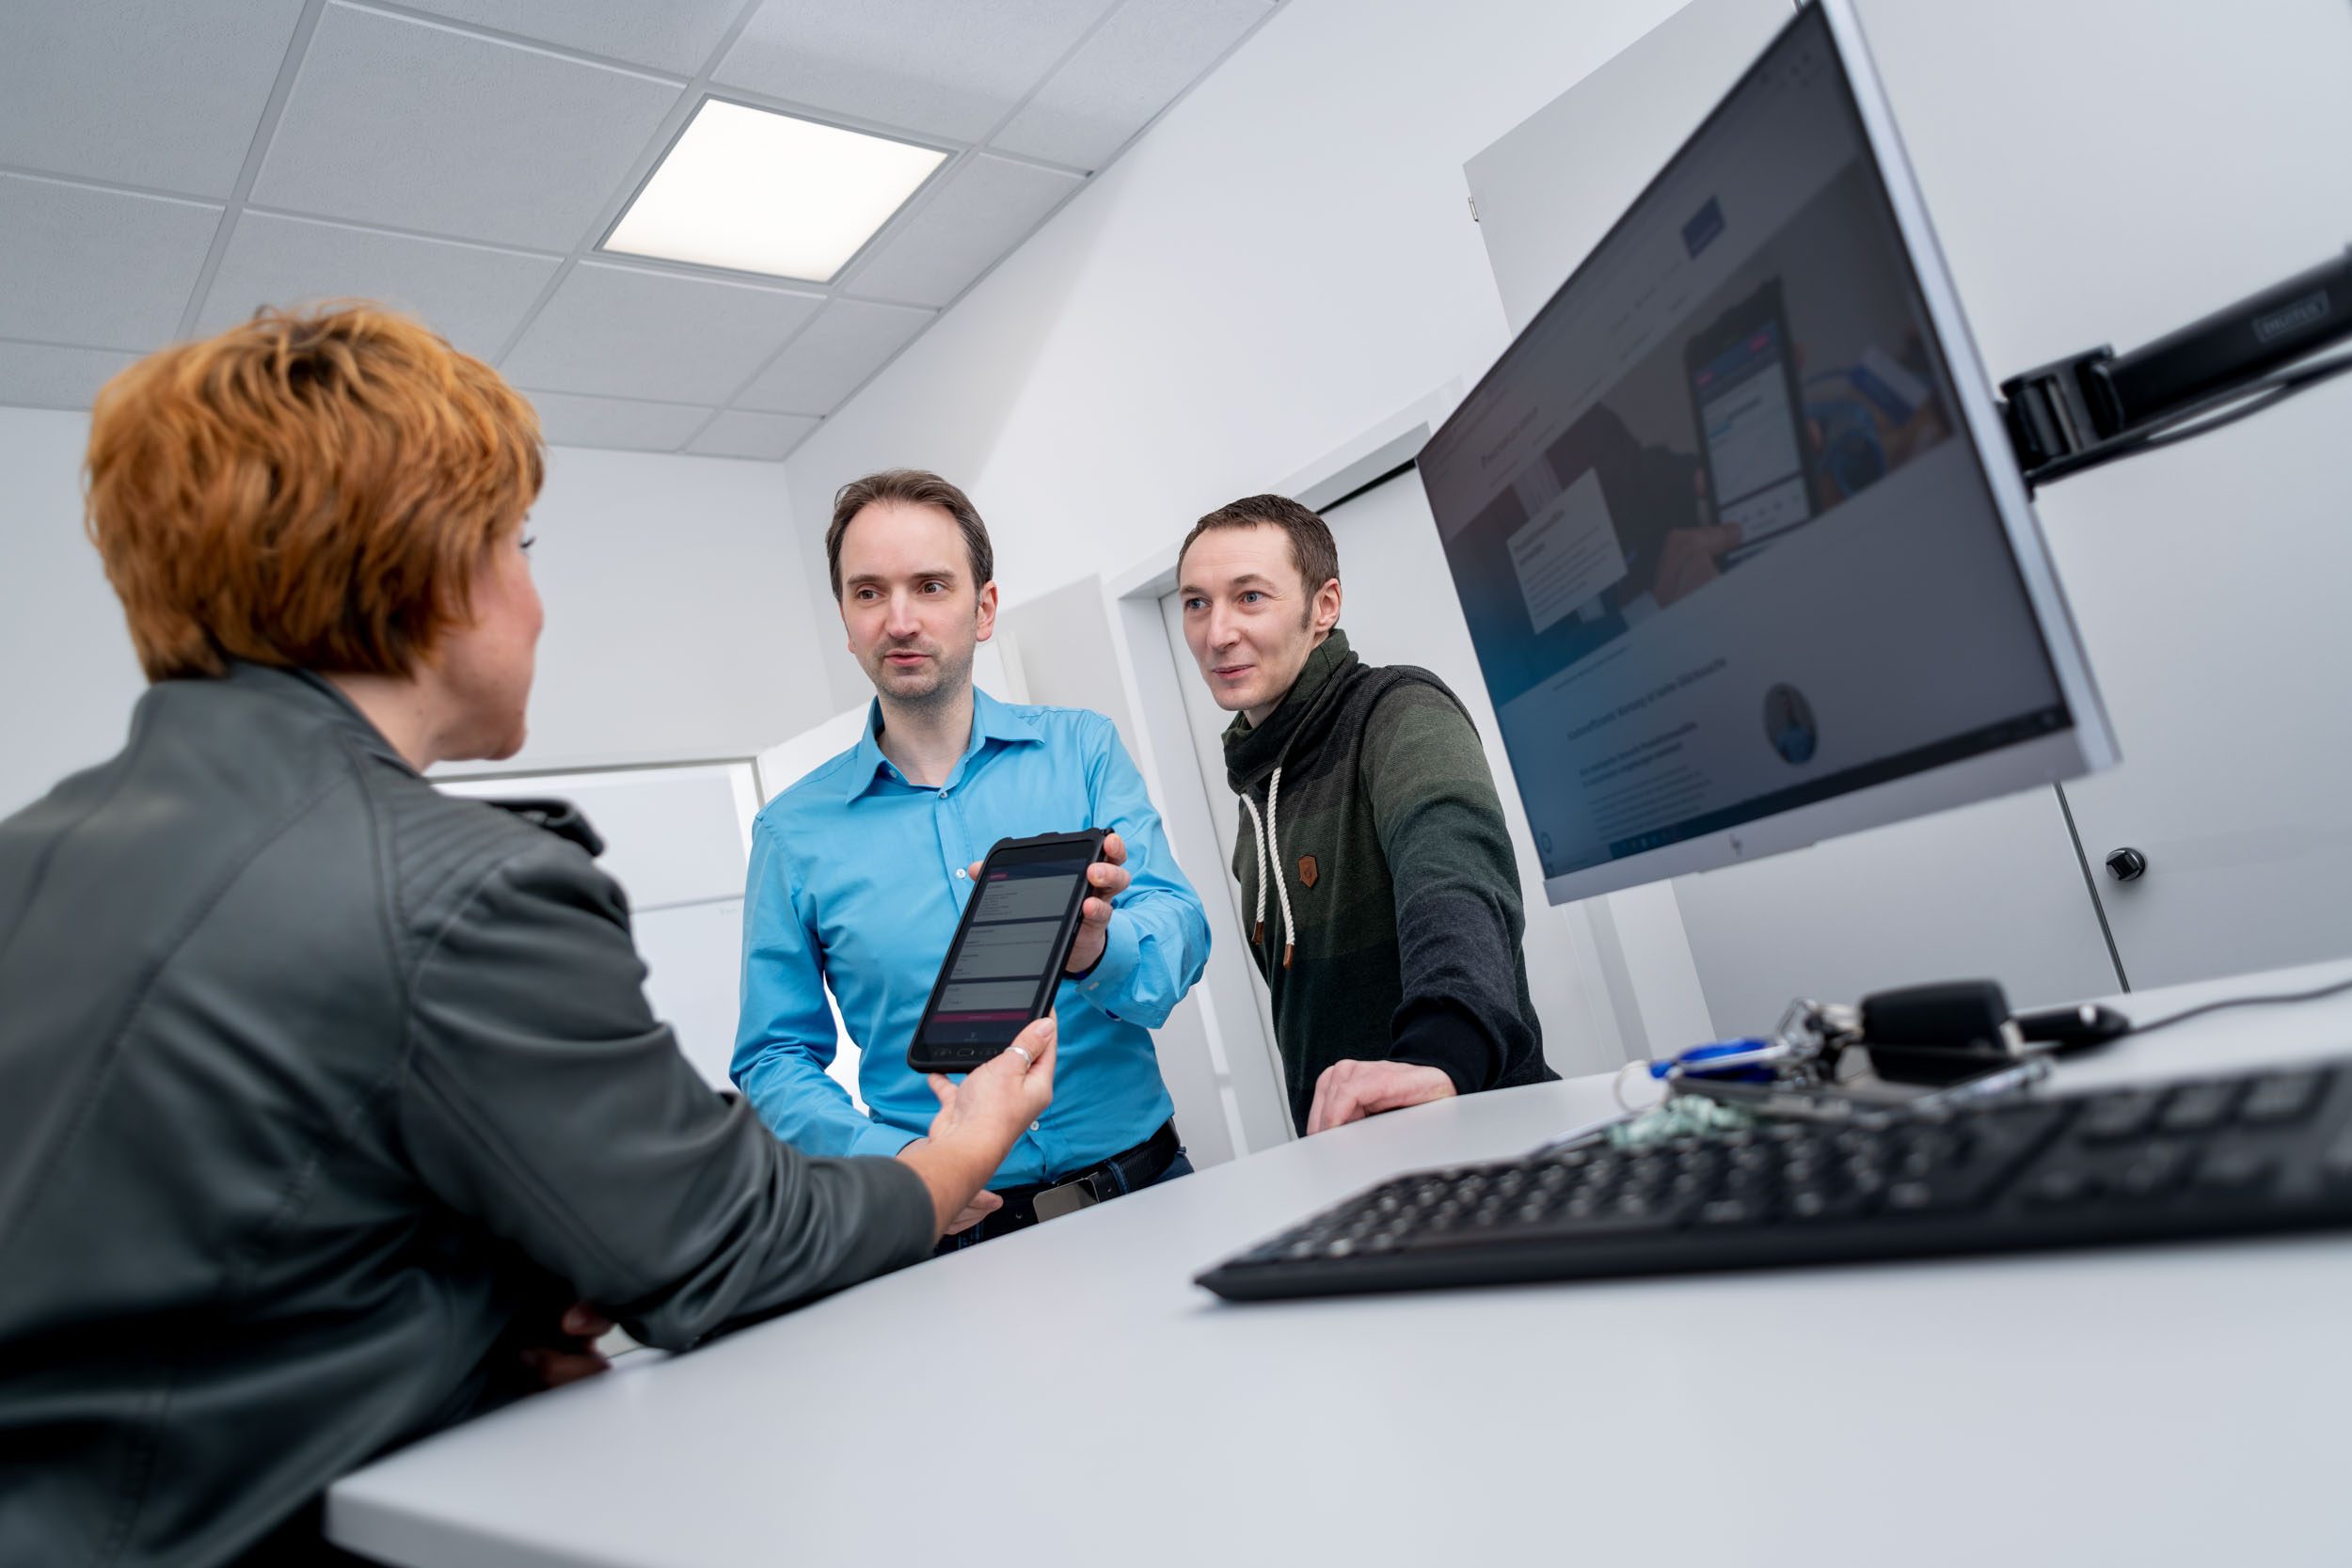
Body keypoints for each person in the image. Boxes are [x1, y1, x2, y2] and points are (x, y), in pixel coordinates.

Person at [0, 308, 1053, 1567]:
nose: (536, 600)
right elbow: (727, 1248)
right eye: (517, 543)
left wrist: (467, 1314)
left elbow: (194, 1262)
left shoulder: (31, 861)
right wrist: (955, 1156)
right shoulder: (460, 889)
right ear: (430, 568)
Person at [735, 470, 1210, 1250]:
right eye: (869, 593)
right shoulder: (791, 835)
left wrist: (1097, 947)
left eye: (929, 585)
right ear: (846, 624)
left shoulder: (1081, 750)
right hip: (951, 1244)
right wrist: (901, 1166)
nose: (900, 619)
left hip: (1148, 1198)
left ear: (984, 608)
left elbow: (1181, 932)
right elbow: (773, 1058)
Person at [1174, 494, 1557, 1134]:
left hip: (1475, 1131)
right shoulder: (1259, 788)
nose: (1217, 633)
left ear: (1324, 606)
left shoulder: (1399, 712)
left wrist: (1439, 1053)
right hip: (1362, 1162)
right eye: (1196, 603)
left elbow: (1456, 881)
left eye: (1250, 597)